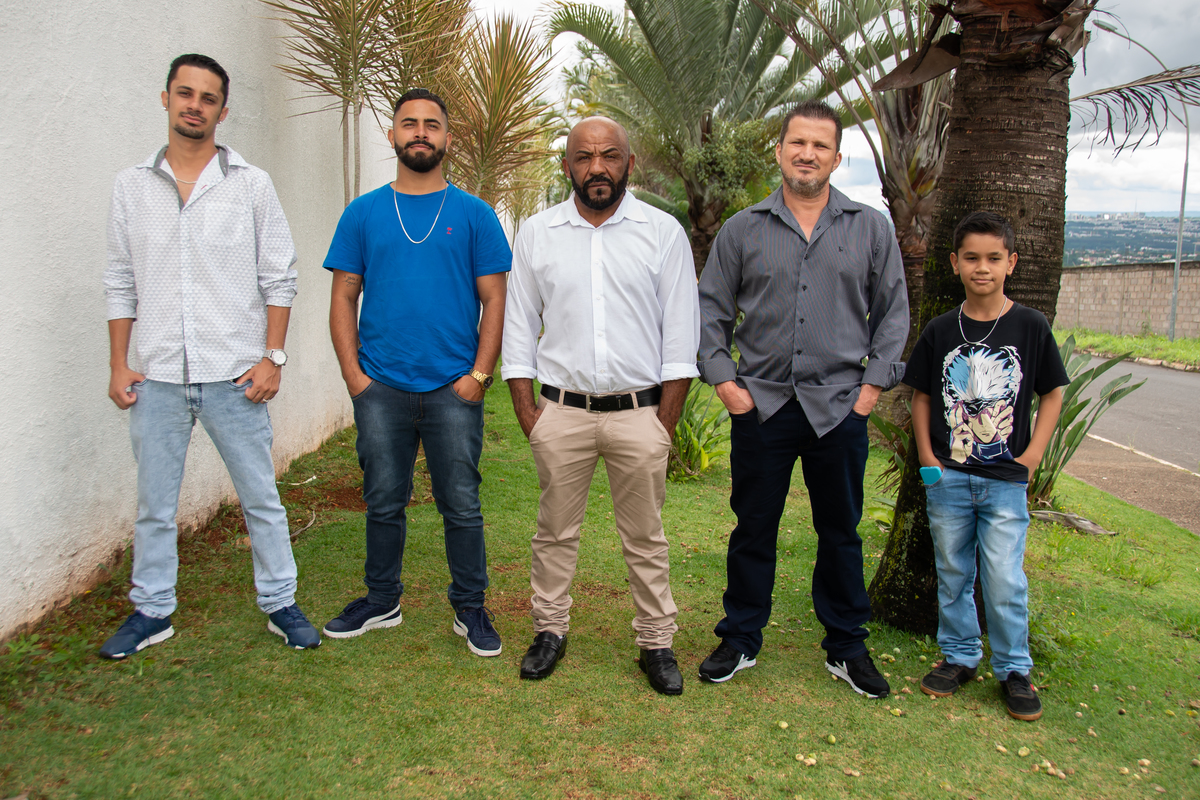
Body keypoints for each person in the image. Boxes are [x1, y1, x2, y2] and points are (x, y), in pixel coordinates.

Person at [101, 54, 319, 659]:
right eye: (185, 93)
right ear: (166, 98)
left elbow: (279, 275)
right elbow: (120, 280)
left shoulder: (250, 184)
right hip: (158, 377)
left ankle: (280, 602)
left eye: (208, 97)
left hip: (234, 376)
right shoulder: (131, 187)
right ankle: (152, 611)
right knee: (154, 506)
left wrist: (273, 357)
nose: (194, 105)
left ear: (223, 111)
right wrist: (119, 363)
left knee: (261, 499)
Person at [696, 100, 908, 696]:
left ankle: (847, 646)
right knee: (753, 527)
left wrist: (870, 391)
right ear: (780, 150)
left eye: (820, 146)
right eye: (797, 143)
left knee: (841, 532)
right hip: (761, 406)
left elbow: (893, 312)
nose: (807, 154)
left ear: (837, 158)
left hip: (839, 408)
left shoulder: (871, 228)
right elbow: (709, 309)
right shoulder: (743, 229)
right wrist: (725, 382)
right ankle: (740, 637)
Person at [502, 117, 700, 695]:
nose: (597, 168)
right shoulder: (537, 233)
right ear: (567, 165)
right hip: (561, 413)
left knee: (646, 537)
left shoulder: (662, 233)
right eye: (584, 157)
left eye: (609, 156)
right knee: (554, 533)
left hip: (640, 415)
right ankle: (549, 632)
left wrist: (663, 424)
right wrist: (529, 415)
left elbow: (680, 337)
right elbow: (519, 329)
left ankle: (656, 642)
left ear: (628, 164)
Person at [322, 88, 511, 657]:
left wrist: (479, 376)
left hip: (454, 388)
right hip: (381, 387)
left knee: (462, 504)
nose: (421, 132)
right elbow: (343, 297)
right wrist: (355, 378)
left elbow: (495, 301)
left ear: (448, 138)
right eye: (410, 123)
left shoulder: (475, 215)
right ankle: (382, 600)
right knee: (383, 500)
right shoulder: (363, 213)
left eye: (432, 124)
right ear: (393, 135)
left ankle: (470, 608)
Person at [905, 211, 1067, 722]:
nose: (982, 267)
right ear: (955, 263)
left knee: (1003, 578)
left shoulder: (1030, 326)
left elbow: (1053, 392)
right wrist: (928, 458)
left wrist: (1032, 456)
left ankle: (1015, 669)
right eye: (972, 258)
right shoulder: (940, 329)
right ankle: (959, 657)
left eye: (993, 258)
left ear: (1010, 263)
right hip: (948, 478)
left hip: (1005, 483)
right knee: (953, 572)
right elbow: (921, 396)